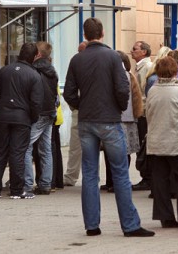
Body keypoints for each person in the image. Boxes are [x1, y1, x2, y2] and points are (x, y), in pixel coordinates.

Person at [64, 17, 154, 237]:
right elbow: (122, 88)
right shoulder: (113, 57)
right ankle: (130, 225)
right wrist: (118, 108)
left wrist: (81, 106)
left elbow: (68, 93)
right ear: (102, 33)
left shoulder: (77, 59)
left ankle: (92, 225)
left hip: (87, 121)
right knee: (121, 172)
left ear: (85, 35)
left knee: (90, 173)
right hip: (110, 120)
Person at [146, 56, 178, 230]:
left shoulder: (152, 90)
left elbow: (148, 114)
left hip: (157, 142)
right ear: (175, 71)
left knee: (160, 180)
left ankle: (165, 217)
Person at [0, 42, 43, 199]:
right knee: (17, 153)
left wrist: (2, 109)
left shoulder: (4, 71)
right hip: (22, 119)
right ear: (34, 56)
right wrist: (31, 118)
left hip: (4, 117)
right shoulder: (34, 75)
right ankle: (17, 191)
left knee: (0, 152)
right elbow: (36, 103)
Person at [102, 50, 143, 192]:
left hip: (122, 118)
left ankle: (117, 182)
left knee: (119, 152)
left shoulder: (122, 76)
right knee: (120, 152)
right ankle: (112, 181)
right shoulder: (128, 76)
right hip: (127, 118)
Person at [23, 41, 58, 195]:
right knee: (46, 149)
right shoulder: (52, 70)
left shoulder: (33, 70)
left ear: (37, 54)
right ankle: (45, 184)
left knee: (25, 147)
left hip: (39, 113)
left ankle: (27, 184)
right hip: (50, 112)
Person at [63, 41, 88, 187]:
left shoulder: (76, 63)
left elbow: (69, 91)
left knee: (76, 146)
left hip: (81, 110)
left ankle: (71, 176)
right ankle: (90, 177)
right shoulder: (100, 62)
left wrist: (76, 105)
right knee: (89, 146)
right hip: (96, 110)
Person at [131, 40, 153, 191]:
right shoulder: (141, 67)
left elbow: (144, 92)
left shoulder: (146, 67)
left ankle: (147, 178)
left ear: (143, 52)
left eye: (135, 49)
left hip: (143, 112)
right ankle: (146, 177)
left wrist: (140, 110)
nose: (131, 51)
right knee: (142, 145)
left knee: (143, 145)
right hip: (141, 111)